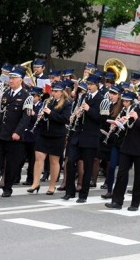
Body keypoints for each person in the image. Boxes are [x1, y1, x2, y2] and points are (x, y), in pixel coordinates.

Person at [0, 66, 33, 197]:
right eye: (10, 78)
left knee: (11, 163)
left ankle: (7, 188)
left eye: (14, 78)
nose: (11, 80)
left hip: (13, 135)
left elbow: (25, 118)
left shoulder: (27, 96)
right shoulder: (5, 94)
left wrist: (18, 132)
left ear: (20, 80)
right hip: (0, 133)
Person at [105, 86, 140, 211]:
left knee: (139, 176)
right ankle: (117, 201)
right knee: (122, 174)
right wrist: (121, 122)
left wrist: (137, 118)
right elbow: (129, 126)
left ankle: (135, 203)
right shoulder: (134, 108)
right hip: (127, 145)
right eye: (139, 95)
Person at [62, 74, 105, 203]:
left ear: (97, 85)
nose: (89, 87)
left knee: (87, 167)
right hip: (78, 136)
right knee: (70, 162)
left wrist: (89, 109)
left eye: (91, 84)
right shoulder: (84, 96)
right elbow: (78, 111)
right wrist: (75, 115)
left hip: (90, 137)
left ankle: (83, 194)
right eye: (88, 84)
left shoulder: (103, 100)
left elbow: (102, 119)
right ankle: (69, 191)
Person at [28, 81, 72, 195]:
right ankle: (35, 183)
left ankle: (52, 186)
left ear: (62, 92)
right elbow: (45, 116)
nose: (53, 93)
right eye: (53, 91)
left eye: (56, 91)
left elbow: (65, 119)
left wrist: (50, 113)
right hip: (44, 133)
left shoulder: (67, 104)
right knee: (38, 157)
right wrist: (41, 116)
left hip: (57, 135)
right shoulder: (48, 101)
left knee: (54, 160)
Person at [99, 85, 127, 198]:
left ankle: (119, 191)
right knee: (110, 165)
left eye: (114, 93)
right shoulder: (108, 104)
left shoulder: (122, 109)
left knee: (120, 168)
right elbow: (102, 120)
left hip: (121, 140)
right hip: (110, 137)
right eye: (110, 93)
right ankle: (109, 190)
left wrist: (118, 123)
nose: (111, 95)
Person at [21, 86, 44, 186]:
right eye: (30, 95)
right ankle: (16, 177)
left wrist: (34, 114)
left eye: (34, 96)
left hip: (35, 135)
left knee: (32, 159)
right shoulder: (27, 104)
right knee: (20, 157)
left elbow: (41, 120)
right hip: (25, 134)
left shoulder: (42, 106)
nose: (32, 97)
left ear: (39, 97)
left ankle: (30, 179)